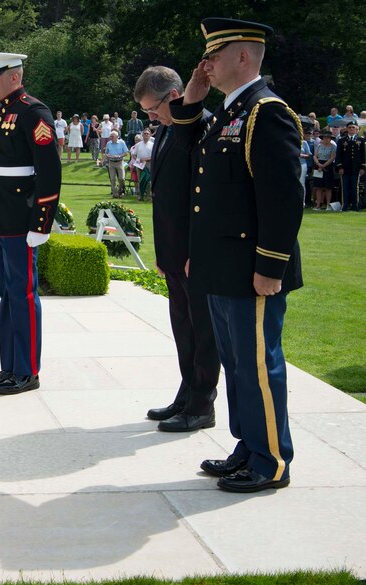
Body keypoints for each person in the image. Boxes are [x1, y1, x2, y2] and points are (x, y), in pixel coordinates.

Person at [171, 18, 303, 493]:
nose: (206, 63)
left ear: (243, 56)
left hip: (252, 270)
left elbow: (284, 198)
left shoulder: (266, 113)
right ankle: (247, 446)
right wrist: (193, 92)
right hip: (224, 267)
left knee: (257, 368)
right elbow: (186, 142)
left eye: (214, 55)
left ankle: (271, 462)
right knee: (237, 365)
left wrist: (271, 267)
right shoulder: (232, 112)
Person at [0, 51, 61, 395]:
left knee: (23, 293)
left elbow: (49, 172)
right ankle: (9, 366)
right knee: (6, 293)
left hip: (20, 216)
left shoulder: (34, 112)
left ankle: (27, 370)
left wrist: (42, 222)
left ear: (14, 78)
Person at [134, 65, 220, 433]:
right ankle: (187, 393)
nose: (150, 118)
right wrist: (165, 251)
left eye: (153, 109)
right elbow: (166, 196)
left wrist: (192, 252)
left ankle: (202, 405)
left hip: (193, 252)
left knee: (202, 331)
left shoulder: (201, 126)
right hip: (174, 251)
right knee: (183, 327)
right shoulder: (170, 129)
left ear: (173, 96)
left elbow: (204, 199)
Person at [335, 120, 365, 211]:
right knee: (345, 187)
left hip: (356, 168)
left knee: (355, 187)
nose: (351, 129)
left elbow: (363, 155)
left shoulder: (361, 140)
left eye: (353, 127)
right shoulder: (342, 140)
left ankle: (355, 205)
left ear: (357, 129)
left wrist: (363, 167)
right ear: (347, 129)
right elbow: (338, 155)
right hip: (345, 168)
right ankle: (345, 205)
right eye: (350, 127)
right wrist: (339, 167)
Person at [312, 131, 336, 210]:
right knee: (318, 187)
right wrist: (319, 164)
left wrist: (323, 166)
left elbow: (332, 158)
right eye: (325, 137)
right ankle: (318, 205)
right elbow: (315, 156)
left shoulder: (333, 147)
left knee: (327, 187)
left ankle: (328, 205)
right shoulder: (319, 146)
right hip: (318, 165)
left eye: (328, 137)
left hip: (328, 166)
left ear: (330, 138)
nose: (326, 139)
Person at [104, 130, 127, 197]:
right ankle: (115, 194)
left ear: (117, 136)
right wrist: (107, 155)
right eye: (110, 136)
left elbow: (126, 153)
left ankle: (121, 191)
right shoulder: (108, 143)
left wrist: (119, 156)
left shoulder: (122, 143)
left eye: (112, 136)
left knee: (121, 178)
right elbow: (106, 152)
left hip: (119, 162)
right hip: (111, 162)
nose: (111, 138)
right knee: (112, 179)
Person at [133, 128, 154, 200]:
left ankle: (148, 196)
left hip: (148, 164)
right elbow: (133, 154)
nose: (146, 135)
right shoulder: (138, 145)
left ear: (150, 135)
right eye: (144, 134)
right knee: (140, 180)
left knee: (148, 181)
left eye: (147, 134)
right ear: (142, 135)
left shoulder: (152, 145)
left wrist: (146, 159)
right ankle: (140, 196)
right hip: (139, 164)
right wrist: (138, 160)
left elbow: (154, 156)